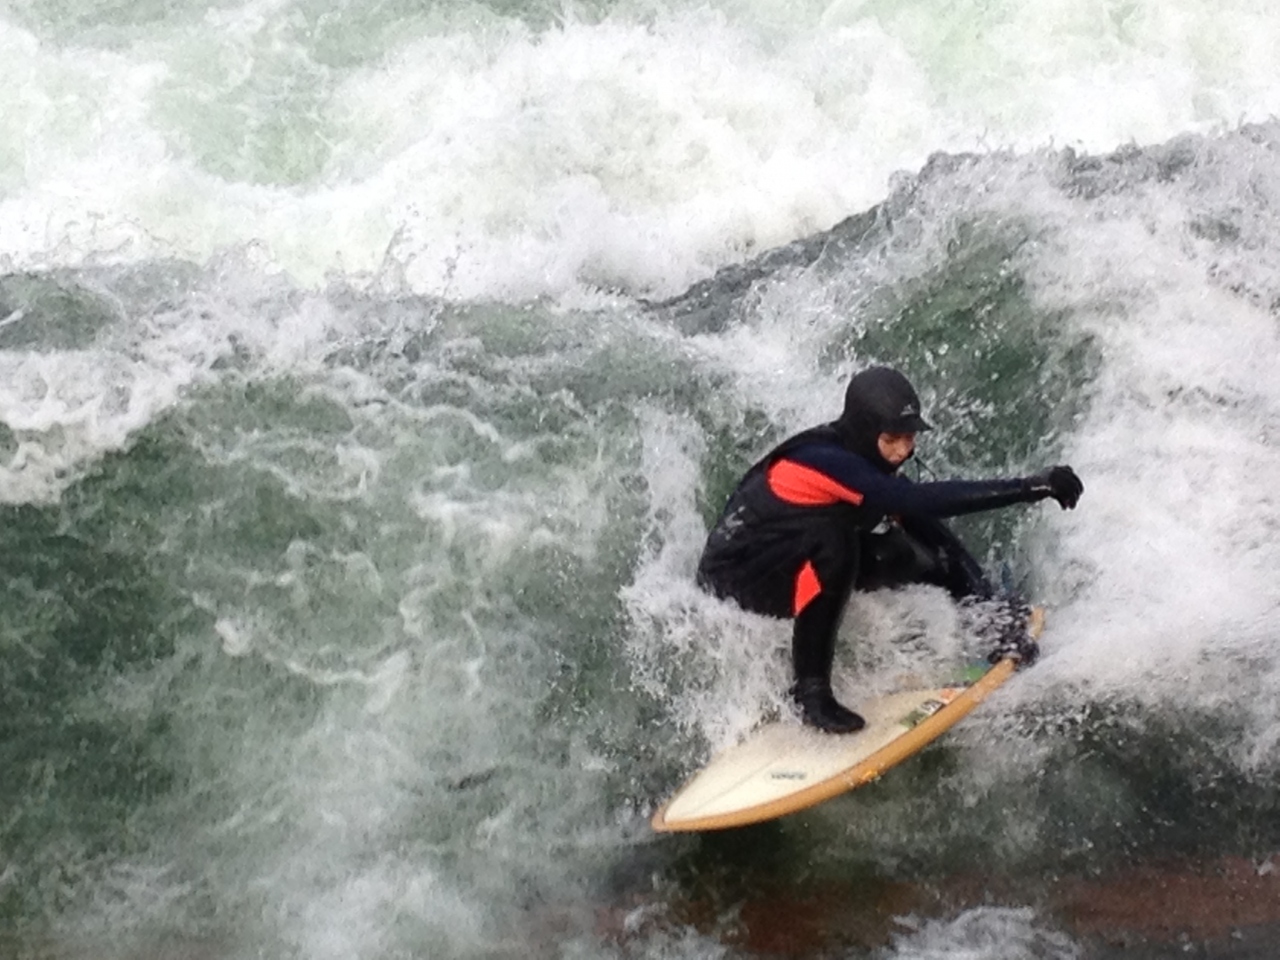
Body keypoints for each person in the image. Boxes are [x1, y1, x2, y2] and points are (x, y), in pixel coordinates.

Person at [696, 366, 1084, 734]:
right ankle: (809, 692)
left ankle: (982, 612)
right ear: (866, 433)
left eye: (908, 438)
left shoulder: (866, 457)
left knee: (898, 546)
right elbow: (916, 500)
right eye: (891, 440)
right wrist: (1029, 487)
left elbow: (919, 518)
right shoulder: (821, 460)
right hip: (736, 583)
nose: (901, 451)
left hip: (790, 558)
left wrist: (984, 600)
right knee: (837, 541)